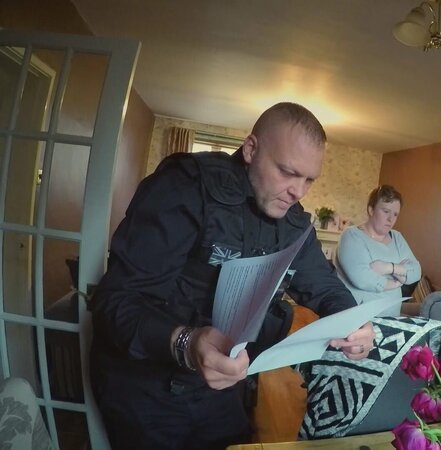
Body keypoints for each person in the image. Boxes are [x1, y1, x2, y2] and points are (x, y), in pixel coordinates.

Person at [89, 102, 375, 450]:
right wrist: (186, 342)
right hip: (145, 389)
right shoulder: (184, 188)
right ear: (251, 149)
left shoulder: (294, 222)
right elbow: (114, 302)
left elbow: (324, 285)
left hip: (222, 389)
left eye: (309, 179)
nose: (298, 191)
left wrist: (352, 322)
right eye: (287, 171)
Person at [335, 185, 421, 316]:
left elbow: (416, 271)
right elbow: (362, 279)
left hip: (392, 317)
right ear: (371, 210)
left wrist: (388, 268)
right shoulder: (352, 236)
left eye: (395, 214)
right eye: (386, 211)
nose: (390, 219)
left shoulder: (397, 237)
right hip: (359, 319)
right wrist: (396, 283)